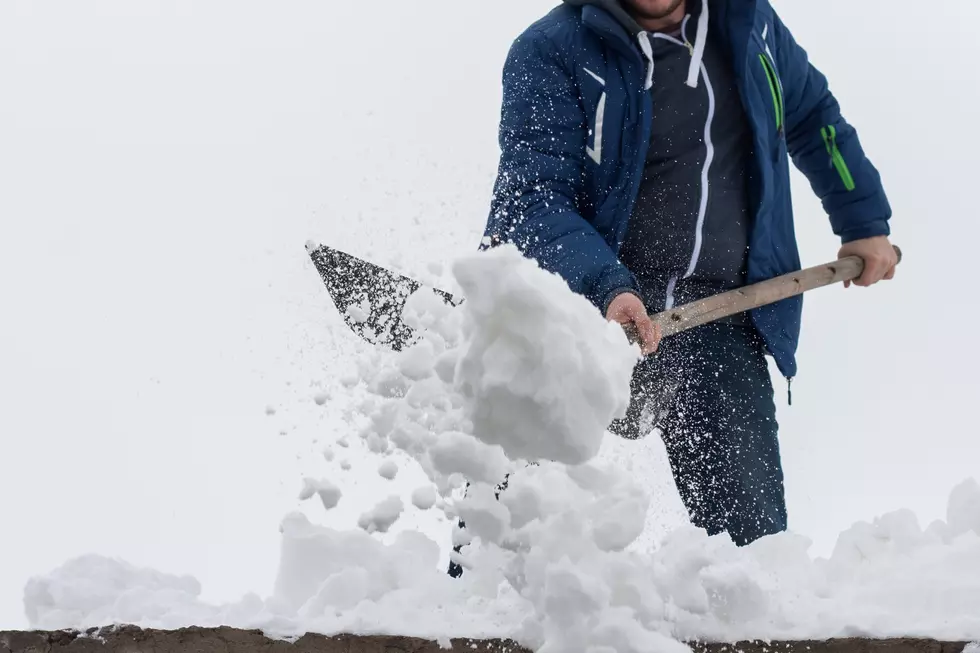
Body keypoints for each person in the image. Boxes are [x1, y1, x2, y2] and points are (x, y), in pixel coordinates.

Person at [479, 0, 898, 546]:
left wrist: (862, 218)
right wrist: (608, 288)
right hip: (585, 325)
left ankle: (748, 628)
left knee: (753, 553)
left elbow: (812, 115)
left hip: (719, 315)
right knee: (506, 528)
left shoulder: (750, 24)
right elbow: (530, 201)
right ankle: (466, 616)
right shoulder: (554, 49)